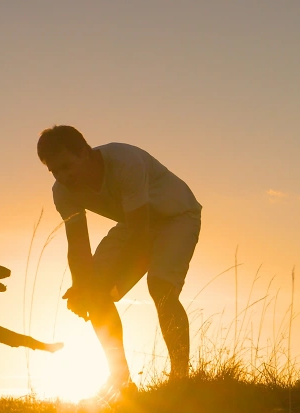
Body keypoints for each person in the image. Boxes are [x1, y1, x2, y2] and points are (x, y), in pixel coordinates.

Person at [37, 125, 202, 395]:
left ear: (86, 153)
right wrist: (83, 287)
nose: (63, 176)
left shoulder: (125, 162)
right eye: (55, 171)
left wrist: (111, 283)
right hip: (133, 221)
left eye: (67, 166)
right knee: (92, 291)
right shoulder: (62, 192)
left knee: (160, 286)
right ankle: (121, 380)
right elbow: (77, 243)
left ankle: (180, 379)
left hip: (176, 217)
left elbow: (141, 235)